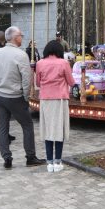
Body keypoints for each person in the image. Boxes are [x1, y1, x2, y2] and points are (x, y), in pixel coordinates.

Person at [0, 26, 45, 169]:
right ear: (15, 37)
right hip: (15, 96)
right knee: (27, 125)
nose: (22, 38)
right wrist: (25, 97)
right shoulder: (20, 55)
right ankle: (30, 157)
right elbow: (27, 79)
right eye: (21, 35)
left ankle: (6, 157)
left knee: (2, 127)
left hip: (0, 95)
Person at [35, 40, 76, 172]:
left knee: (48, 130)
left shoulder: (40, 63)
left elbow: (38, 83)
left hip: (45, 99)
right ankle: (58, 161)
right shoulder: (64, 63)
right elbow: (71, 81)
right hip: (60, 99)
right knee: (59, 130)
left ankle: (49, 163)